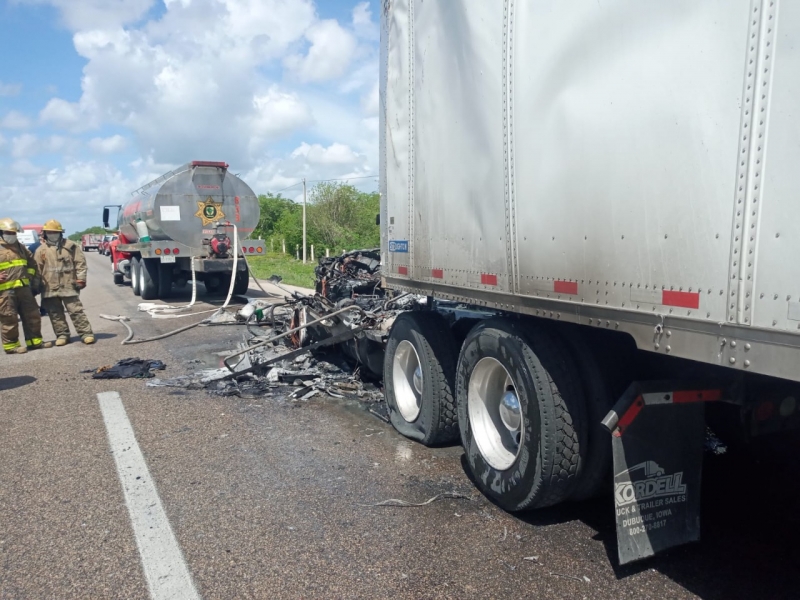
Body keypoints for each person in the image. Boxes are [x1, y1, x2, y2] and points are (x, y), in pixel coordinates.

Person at [34, 219, 95, 346]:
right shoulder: (41, 250)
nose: (52, 234)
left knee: (76, 311)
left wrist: (81, 279)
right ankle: (62, 335)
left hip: (69, 285)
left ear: (61, 233)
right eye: (49, 232)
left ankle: (86, 334)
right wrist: (35, 287)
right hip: (49, 288)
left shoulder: (71, 246)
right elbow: (36, 270)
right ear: (44, 234)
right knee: (55, 314)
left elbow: (80, 263)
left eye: (55, 232)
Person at [0, 218, 49, 354]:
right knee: (9, 318)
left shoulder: (20, 247)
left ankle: (35, 342)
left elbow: (32, 263)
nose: (11, 235)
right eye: (8, 232)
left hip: (24, 290)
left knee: (32, 315)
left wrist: (30, 277)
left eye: (13, 232)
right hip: (4, 291)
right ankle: (11, 346)